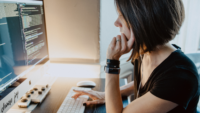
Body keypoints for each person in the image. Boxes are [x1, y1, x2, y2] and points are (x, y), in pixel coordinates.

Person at [72, 0, 200, 112]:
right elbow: (152, 84)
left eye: (122, 16)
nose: (116, 23)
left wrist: (112, 62)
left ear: (142, 21)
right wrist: (105, 95)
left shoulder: (179, 77)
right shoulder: (145, 52)